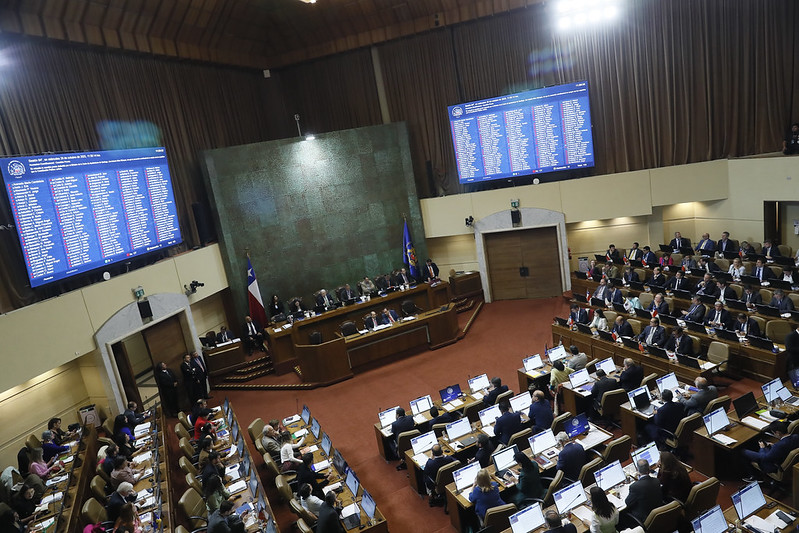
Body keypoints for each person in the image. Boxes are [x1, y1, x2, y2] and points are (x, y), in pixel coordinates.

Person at [624, 460, 663, 524]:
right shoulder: (656, 481)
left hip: (645, 518)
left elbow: (628, 502)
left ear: (637, 470)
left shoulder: (635, 486)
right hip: (658, 513)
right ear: (649, 468)